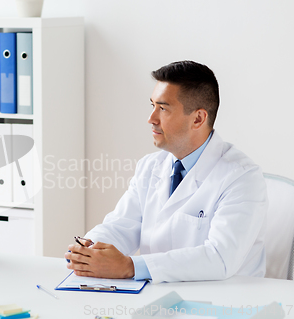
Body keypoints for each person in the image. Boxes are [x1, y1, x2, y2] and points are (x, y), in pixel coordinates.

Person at [65, 61, 267, 284]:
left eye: (163, 108)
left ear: (198, 118)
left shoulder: (242, 178)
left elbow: (220, 258)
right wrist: (90, 250)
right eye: (152, 105)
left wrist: (130, 267)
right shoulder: (151, 166)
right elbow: (121, 225)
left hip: (224, 304)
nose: (151, 118)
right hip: (158, 296)